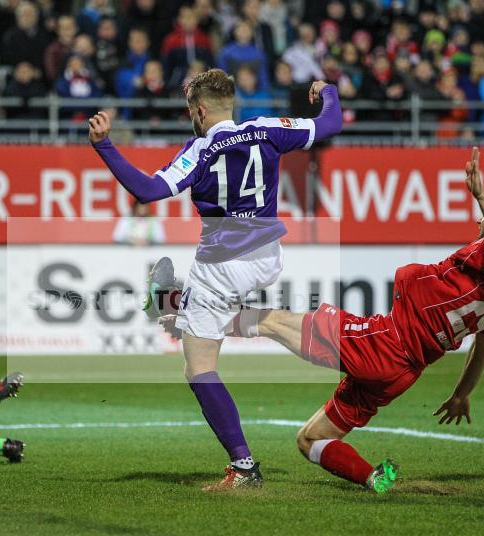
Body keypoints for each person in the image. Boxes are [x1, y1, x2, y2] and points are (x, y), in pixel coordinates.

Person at [160, 148, 484, 491]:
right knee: (310, 440)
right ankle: (374, 479)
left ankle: (179, 308)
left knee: (273, 321)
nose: (481, 216)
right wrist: (462, 393)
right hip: (402, 372)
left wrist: (479, 194)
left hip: (384, 342)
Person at [88, 70, 343, 491]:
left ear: (199, 110)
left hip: (221, 264)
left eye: (190, 109)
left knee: (199, 366)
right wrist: (326, 92)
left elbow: (148, 191)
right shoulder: (266, 129)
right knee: (216, 319)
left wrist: (104, 146)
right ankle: (176, 302)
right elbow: (331, 123)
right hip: (267, 256)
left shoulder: (200, 149)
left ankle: (243, 466)